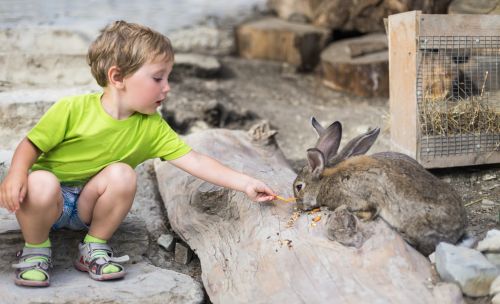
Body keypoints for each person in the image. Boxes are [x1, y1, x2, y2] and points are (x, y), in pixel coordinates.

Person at [0, 20, 276, 287]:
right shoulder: (73, 109)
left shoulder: (151, 127)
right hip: (47, 202)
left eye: (168, 77)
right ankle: (36, 250)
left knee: (122, 174)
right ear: (117, 77)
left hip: (89, 205)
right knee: (41, 181)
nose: (167, 87)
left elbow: (195, 160)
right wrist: (15, 174)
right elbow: (31, 145)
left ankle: (94, 247)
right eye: (158, 78)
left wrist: (245, 183)